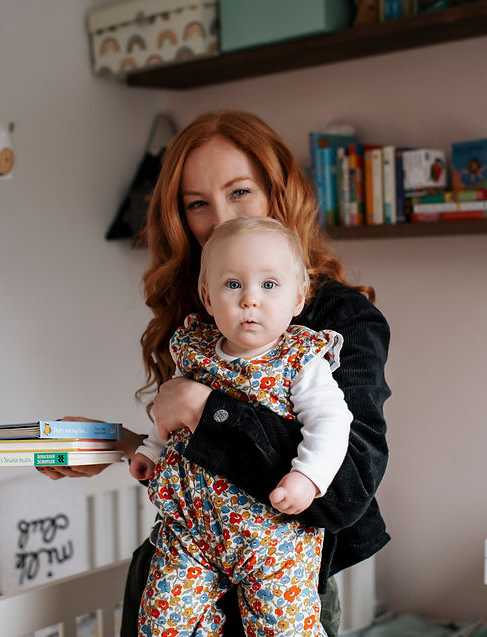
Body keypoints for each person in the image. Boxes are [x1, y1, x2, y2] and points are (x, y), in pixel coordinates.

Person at [39, 110, 391, 637]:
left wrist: (207, 409)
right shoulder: (199, 314)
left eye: (240, 192)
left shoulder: (338, 323)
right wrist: (118, 444)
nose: (221, 218)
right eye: (198, 204)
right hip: (175, 578)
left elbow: (344, 488)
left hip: (279, 593)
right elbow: (188, 445)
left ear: (278, 193)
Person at [131, 216, 353, 635]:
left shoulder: (300, 360)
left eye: (269, 285)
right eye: (233, 285)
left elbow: (330, 422)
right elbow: (171, 416)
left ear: (298, 298)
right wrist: (150, 450)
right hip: (190, 530)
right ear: (208, 297)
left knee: (283, 627)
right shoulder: (195, 352)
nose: (250, 299)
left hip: (272, 536)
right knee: (162, 621)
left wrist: (307, 477)